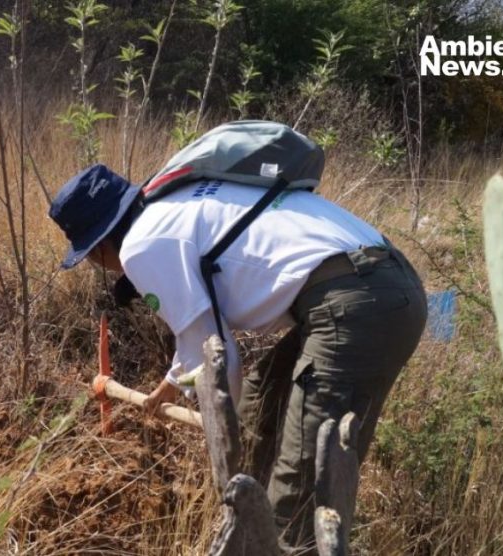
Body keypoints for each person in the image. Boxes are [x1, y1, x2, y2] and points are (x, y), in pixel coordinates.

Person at [49, 159, 427, 551]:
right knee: (258, 408)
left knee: (299, 485)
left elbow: (218, 362)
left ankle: (277, 536)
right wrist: (174, 383)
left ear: (99, 245)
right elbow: (201, 330)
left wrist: (222, 452)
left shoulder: (141, 247)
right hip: (373, 281)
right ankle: (246, 523)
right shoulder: (174, 205)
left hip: (358, 304)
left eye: (90, 257)